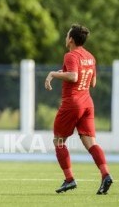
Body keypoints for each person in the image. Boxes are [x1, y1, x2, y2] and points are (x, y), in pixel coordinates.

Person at [45, 24, 113, 194]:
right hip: (87, 103)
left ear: (71, 39)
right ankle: (105, 175)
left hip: (72, 103)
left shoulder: (70, 55)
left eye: (67, 34)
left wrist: (53, 73)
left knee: (58, 141)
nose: (65, 37)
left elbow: (74, 76)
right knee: (91, 144)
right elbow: (93, 82)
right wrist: (65, 72)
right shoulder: (90, 57)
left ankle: (69, 179)